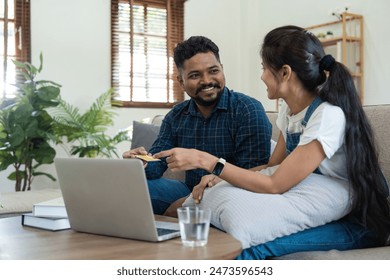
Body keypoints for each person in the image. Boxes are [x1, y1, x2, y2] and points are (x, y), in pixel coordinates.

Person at [154, 26, 390, 259]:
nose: (262, 76)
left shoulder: (327, 116)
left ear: (285, 73)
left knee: (249, 251)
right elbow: (270, 168)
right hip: (318, 204)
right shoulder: (289, 110)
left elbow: (276, 184)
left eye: (264, 68)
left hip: (357, 219)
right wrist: (219, 176)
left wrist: (209, 162)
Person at [123, 36, 272, 215]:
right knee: (127, 187)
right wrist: (142, 162)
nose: (207, 80)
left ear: (222, 70)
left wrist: (187, 203)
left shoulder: (247, 109)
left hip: (231, 191)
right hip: (188, 189)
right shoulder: (176, 115)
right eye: (195, 75)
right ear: (181, 81)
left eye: (213, 71)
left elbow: (254, 173)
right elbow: (158, 163)